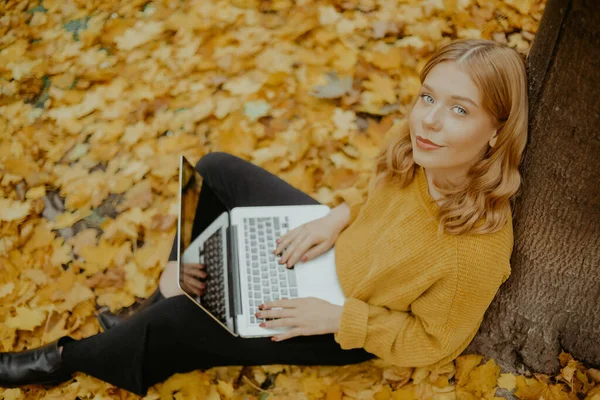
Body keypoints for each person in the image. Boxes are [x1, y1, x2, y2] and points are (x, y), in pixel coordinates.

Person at [0, 38, 528, 396]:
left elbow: (437, 343)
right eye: (427, 97)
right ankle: (169, 287)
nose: (429, 120)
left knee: (184, 322)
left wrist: (339, 319)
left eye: (460, 109)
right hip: (330, 250)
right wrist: (336, 217)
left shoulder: (472, 252)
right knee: (213, 171)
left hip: (341, 319)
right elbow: (380, 203)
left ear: (496, 132)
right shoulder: (421, 145)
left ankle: (62, 360)